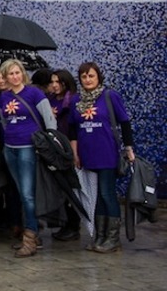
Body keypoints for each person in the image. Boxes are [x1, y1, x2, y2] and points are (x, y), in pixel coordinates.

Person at [68, 62, 134, 253]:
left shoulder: (109, 96)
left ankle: (113, 239)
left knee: (107, 193)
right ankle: (100, 236)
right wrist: (75, 153)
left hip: (107, 153)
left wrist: (129, 148)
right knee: (95, 196)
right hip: (87, 154)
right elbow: (72, 129)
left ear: (98, 77)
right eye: (84, 77)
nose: (87, 80)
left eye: (91, 76)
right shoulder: (76, 100)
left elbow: (125, 122)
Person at [0, 59, 56, 257]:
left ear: (23, 73)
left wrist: (51, 141)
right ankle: (33, 232)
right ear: (5, 77)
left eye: (17, 72)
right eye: (10, 74)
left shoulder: (34, 93)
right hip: (10, 147)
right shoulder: (4, 96)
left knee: (28, 194)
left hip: (28, 147)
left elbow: (49, 119)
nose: (15, 77)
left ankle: (29, 238)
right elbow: (3, 120)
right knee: (22, 192)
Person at [49, 68, 81, 241]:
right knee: (60, 189)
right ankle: (65, 223)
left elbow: (74, 126)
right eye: (52, 82)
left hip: (70, 146)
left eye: (58, 81)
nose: (55, 85)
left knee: (71, 189)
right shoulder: (51, 100)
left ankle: (74, 225)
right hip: (55, 148)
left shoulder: (73, 100)